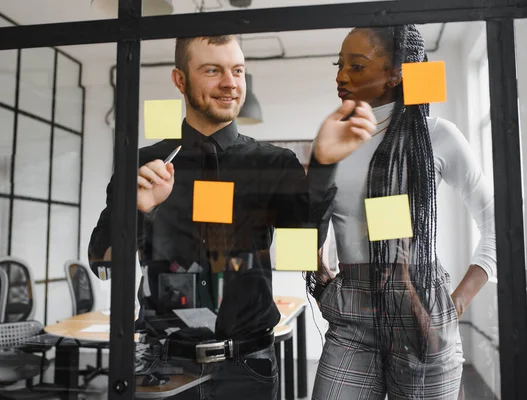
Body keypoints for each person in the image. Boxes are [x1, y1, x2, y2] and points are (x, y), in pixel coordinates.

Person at [88, 35, 376, 399]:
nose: (230, 82)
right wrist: (137, 212)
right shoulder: (143, 166)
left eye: (237, 70)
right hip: (162, 368)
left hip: (248, 369)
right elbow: (104, 266)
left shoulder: (273, 163)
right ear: (180, 80)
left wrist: (322, 167)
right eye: (213, 70)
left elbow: (301, 255)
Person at [307, 25, 496, 399]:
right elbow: (305, 226)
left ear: (396, 73)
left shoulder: (436, 135)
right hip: (350, 316)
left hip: (421, 309)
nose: (340, 76)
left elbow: (496, 222)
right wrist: (322, 285)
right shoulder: (331, 142)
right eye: (338, 64)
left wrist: (455, 303)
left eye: (356, 66)